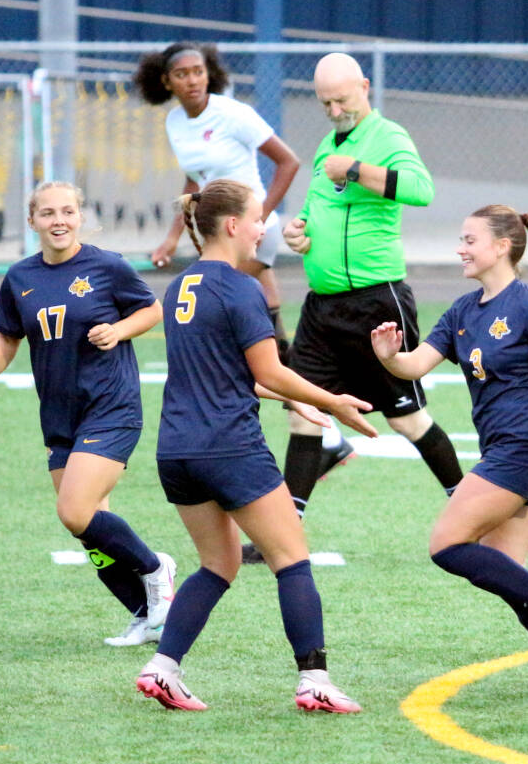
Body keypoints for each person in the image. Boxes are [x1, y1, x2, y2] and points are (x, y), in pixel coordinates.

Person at [135, 179, 378, 713]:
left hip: (176, 451)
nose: (264, 225)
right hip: (230, 448)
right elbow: (267, 368)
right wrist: (331, 399)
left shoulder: (180, 287)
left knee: (217, 564)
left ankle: (162, 668)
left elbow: (227, 372)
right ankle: (314, 681)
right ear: (231, 226)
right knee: (291, 558)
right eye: (257, 217)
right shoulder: (241, 287)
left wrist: (295, 402)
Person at [370, 172, 528, 698]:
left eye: (469, 240)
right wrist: (390, 357)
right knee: (508, 575)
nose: (460, 248)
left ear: (502, 247)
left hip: (525, 450)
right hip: (504, 450)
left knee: (446, 545)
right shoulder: (462, 311)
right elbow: (416, 366)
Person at [134, 42, 354, 566]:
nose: (193, 80)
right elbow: (194, 183)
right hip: (227, 229)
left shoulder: (231, 113)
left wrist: (257, 223)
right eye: (182, 74)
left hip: (246, 229)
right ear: (166, 82)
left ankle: (324, 424)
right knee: (262, 328)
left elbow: (288, 160)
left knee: (251, 337)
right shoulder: (176, 125)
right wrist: (172, 236)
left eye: (199, 71)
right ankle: (326, 430)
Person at [0, 181, 175, 647]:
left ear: (80, 216)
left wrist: (117, 331)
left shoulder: (108, 266)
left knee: (75, 509)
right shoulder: (20, 277)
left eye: (67, 211)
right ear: (32, 220)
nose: (58, 220)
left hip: (111, 406)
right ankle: (145, 615)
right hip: (60, 415)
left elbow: (151, 311)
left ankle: (158, 568)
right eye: (47, 213)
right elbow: (8, 336)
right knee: (86, 525)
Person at [281, 52, 463, 523]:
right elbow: (317, 210)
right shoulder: (327, 145)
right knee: (303, 410)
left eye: (342, 100)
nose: (335, 111)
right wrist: (300, 234)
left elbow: (422, 189)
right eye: (325, 104)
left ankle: (469, 508)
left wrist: (357, 169)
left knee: (406, 419)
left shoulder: (388, 136)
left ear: (364, 86)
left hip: (375, 302)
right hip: (322, 308)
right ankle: (282, 529)